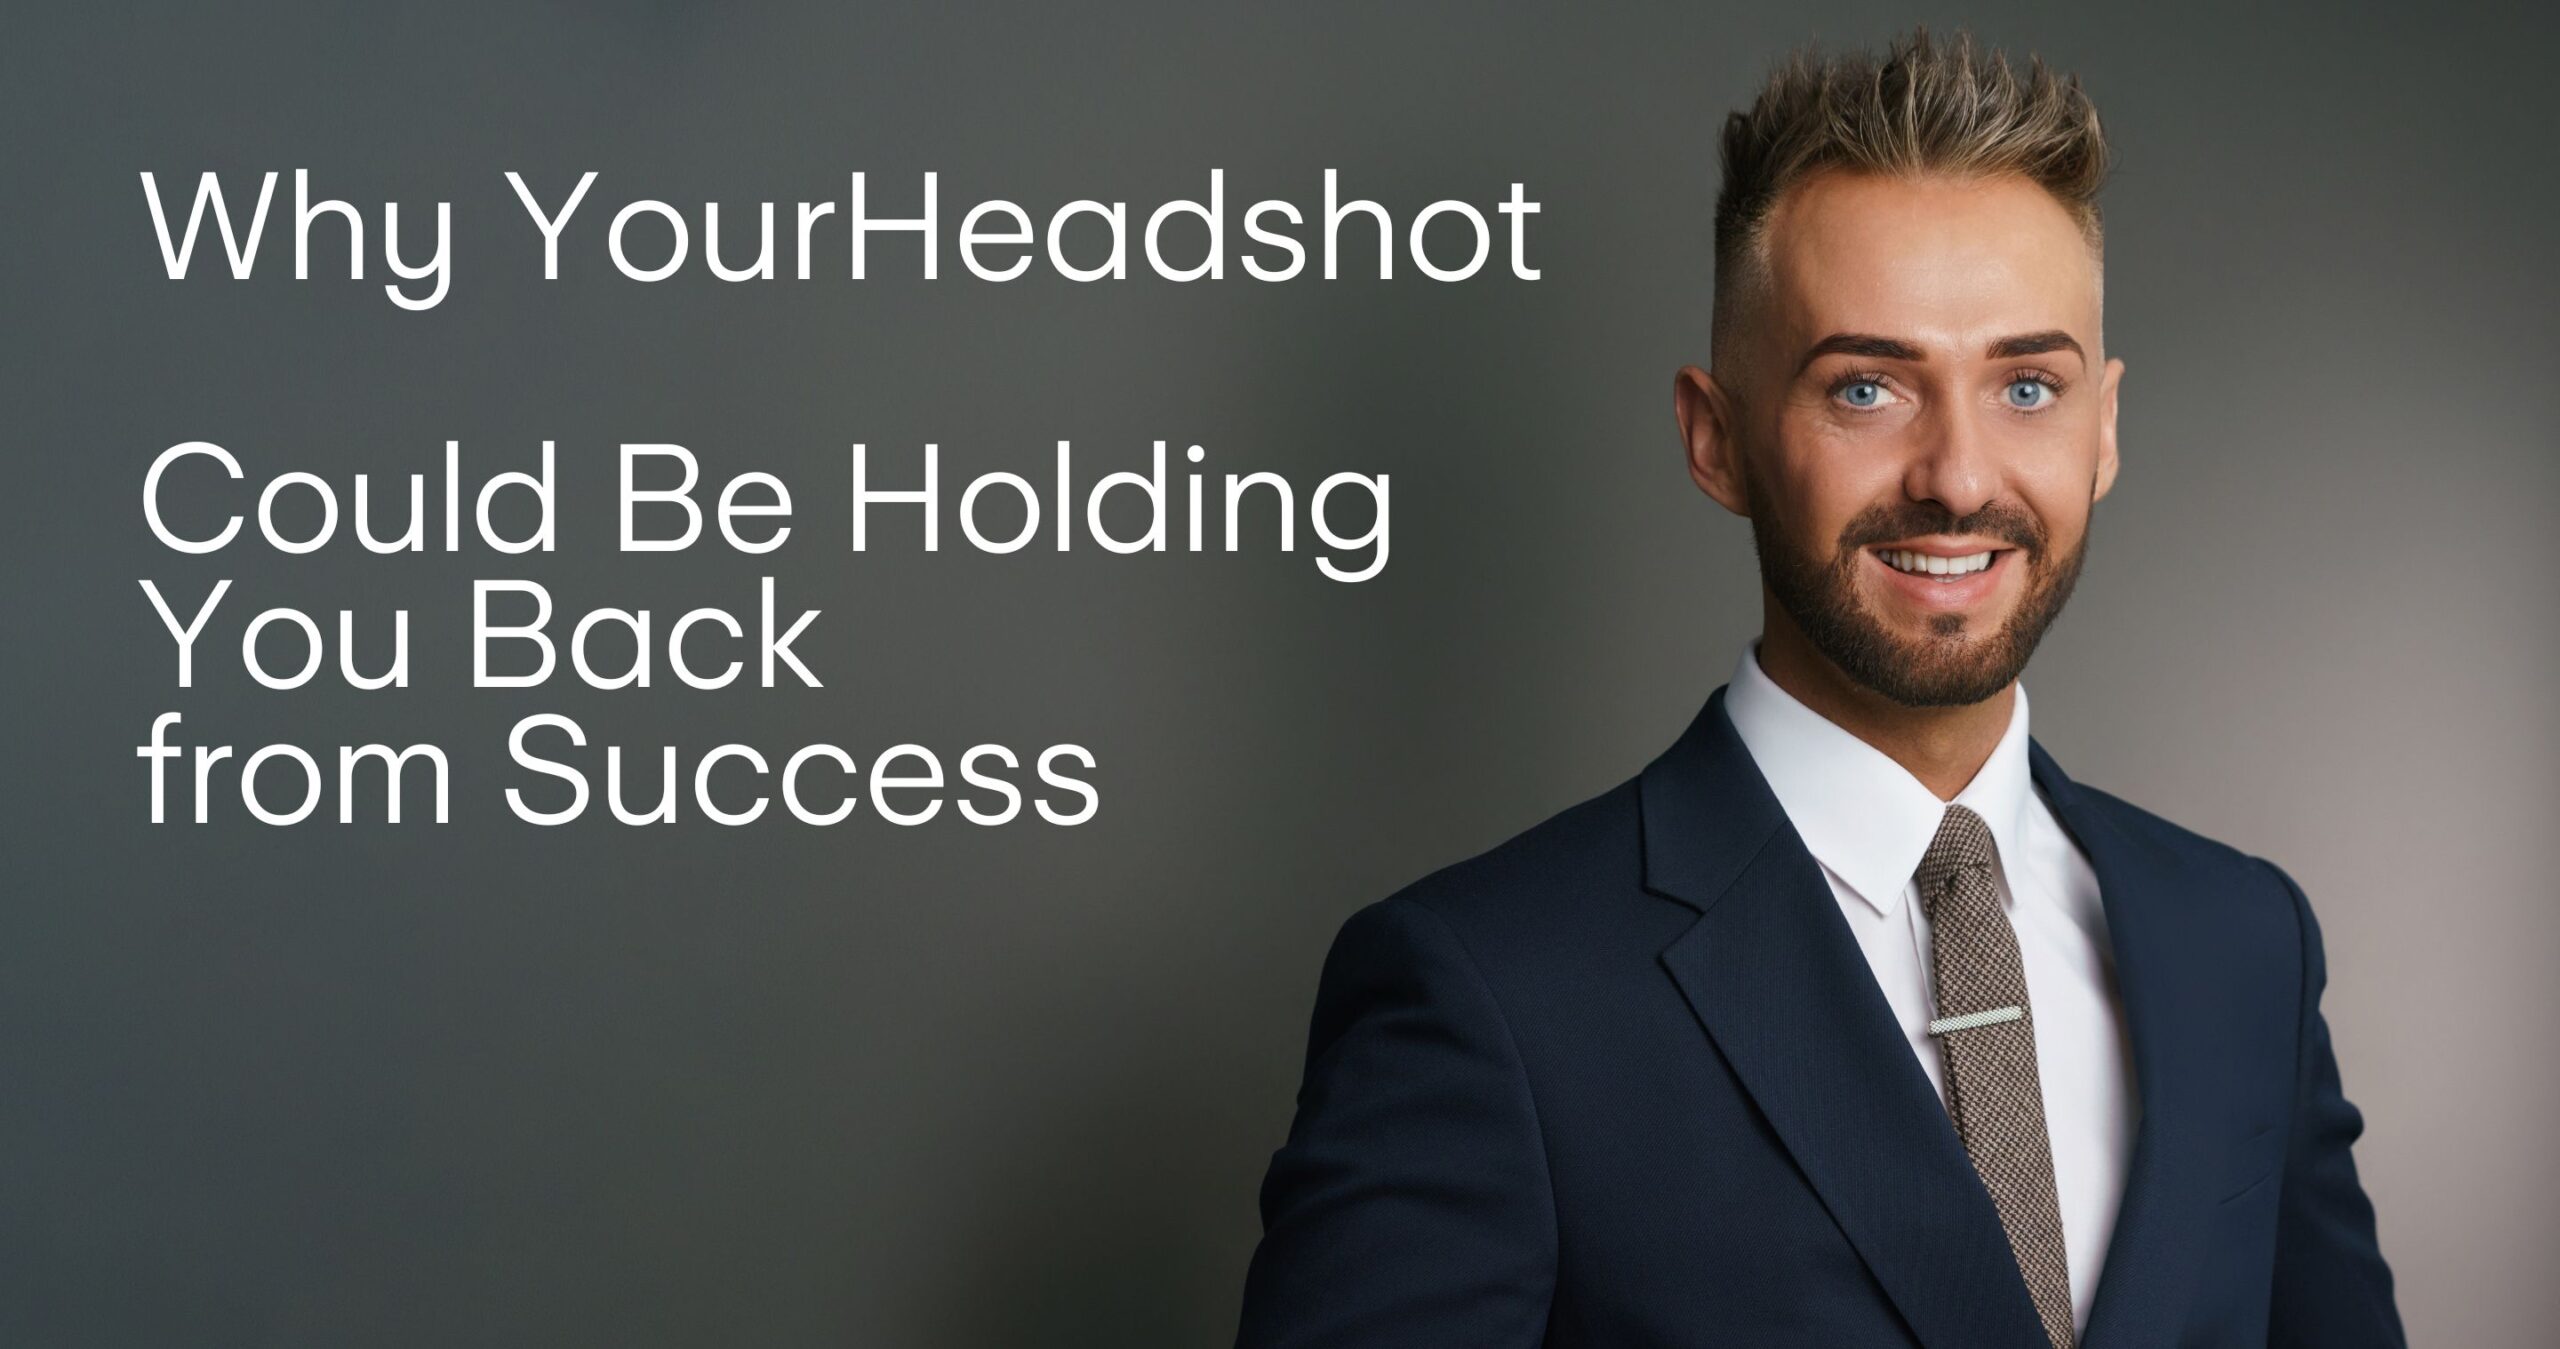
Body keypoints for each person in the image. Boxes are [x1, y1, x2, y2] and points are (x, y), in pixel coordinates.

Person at [1233, 27, 2402, 1349]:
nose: (1958, 475)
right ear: (1715, 438)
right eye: (1866, 386)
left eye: (2027, 385)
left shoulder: (2243, 943)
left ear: (2106, 428)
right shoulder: (1492, 992)